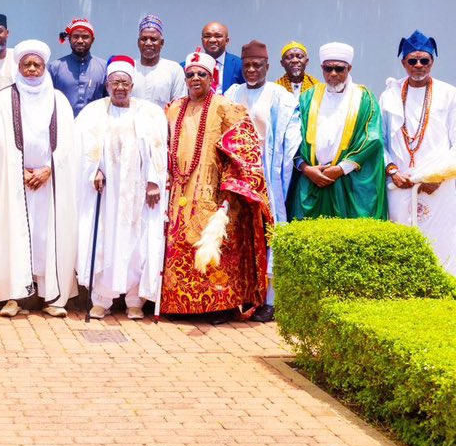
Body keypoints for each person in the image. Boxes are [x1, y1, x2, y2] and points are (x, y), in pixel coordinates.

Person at [162, 50, 272, 320]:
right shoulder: (174, 108)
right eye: (191, 75)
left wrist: (229, 187)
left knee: (214, 243)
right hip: (179, 189)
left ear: (212, 77)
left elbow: (244, 149)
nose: (196, 78)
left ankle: (218, 306)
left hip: (213, 191)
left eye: (202, 74)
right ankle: (179, 306)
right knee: (180, 245)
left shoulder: (225, 107)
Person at [0, 40, 78, 318]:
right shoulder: (4, 99)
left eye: (37, 64)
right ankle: (13, 297)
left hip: (50, 182)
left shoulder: (59, 100)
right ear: (19, 66)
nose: (32, 69)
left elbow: (68, 142)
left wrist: (49, 168)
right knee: (14, 235)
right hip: (16, 182)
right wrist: (20, 170)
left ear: (45, 66)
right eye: (26, 63)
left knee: (47, 237)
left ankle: (51, 297)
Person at [75, 56, 168, 320]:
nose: (120, 88)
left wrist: (153, 181)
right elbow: (82, 148)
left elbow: (159, 150)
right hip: (105, 194)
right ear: (106, 85)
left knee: (137, 242)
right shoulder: (93, 112)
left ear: (132, 84)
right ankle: (101, 301)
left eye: (125, 83)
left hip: (138, 193)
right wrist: (94, 169)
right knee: (105, 239)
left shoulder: (149, 113)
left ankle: (134, 300)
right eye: (115, 82)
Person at [380, 31, 456, 274]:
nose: (419, 66)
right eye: (412, 61)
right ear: (403, 62)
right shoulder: (389, 95)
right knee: (401, 242)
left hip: (439, 186)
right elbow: (378, 140)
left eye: (425, 60)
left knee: (441, 242)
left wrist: (437, 176)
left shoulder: (449, 93)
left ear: (433, 62)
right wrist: (391, 170)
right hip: (399, 183)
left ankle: (442, 295)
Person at [289, 42, 388, 221]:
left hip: (348, 181)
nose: (333, 74)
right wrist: (306, 169)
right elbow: (291, 137)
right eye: (328, 68)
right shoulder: (307, 97)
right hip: (312, 179)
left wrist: (341, 169)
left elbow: (372, 138)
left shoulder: (364, 97)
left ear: (349, 68)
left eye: (339, 69)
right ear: (322, 68)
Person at [225, 41, 301, 224]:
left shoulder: (280, 96)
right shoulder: (232, 94)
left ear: (267, 67)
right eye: (247, 65)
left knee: (268, 219)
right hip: (238, 170)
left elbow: (291, 139)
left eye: (257, 65)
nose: (251, 70)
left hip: (267, 167)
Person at [48, 18, 106, 116]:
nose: (80, 41)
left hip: (95, 127)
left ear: (93, 40)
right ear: (69, 38)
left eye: (85, 37)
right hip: (64, 126)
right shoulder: (55, 67)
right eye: (75, 36)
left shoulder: (104, 67)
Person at [131, 14, 186, 107]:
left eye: (153, 39)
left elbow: (179, 107)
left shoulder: (174, 69)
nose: (148, 43)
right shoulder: (129, 68)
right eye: (144, 39)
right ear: (138, 42)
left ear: (162, 43)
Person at [184, 22, 243, 94]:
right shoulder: (187, 66)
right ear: (202, 40)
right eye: (207, 36)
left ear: (227, 41)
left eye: (218, 36)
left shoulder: (240, 65)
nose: (212, 40)